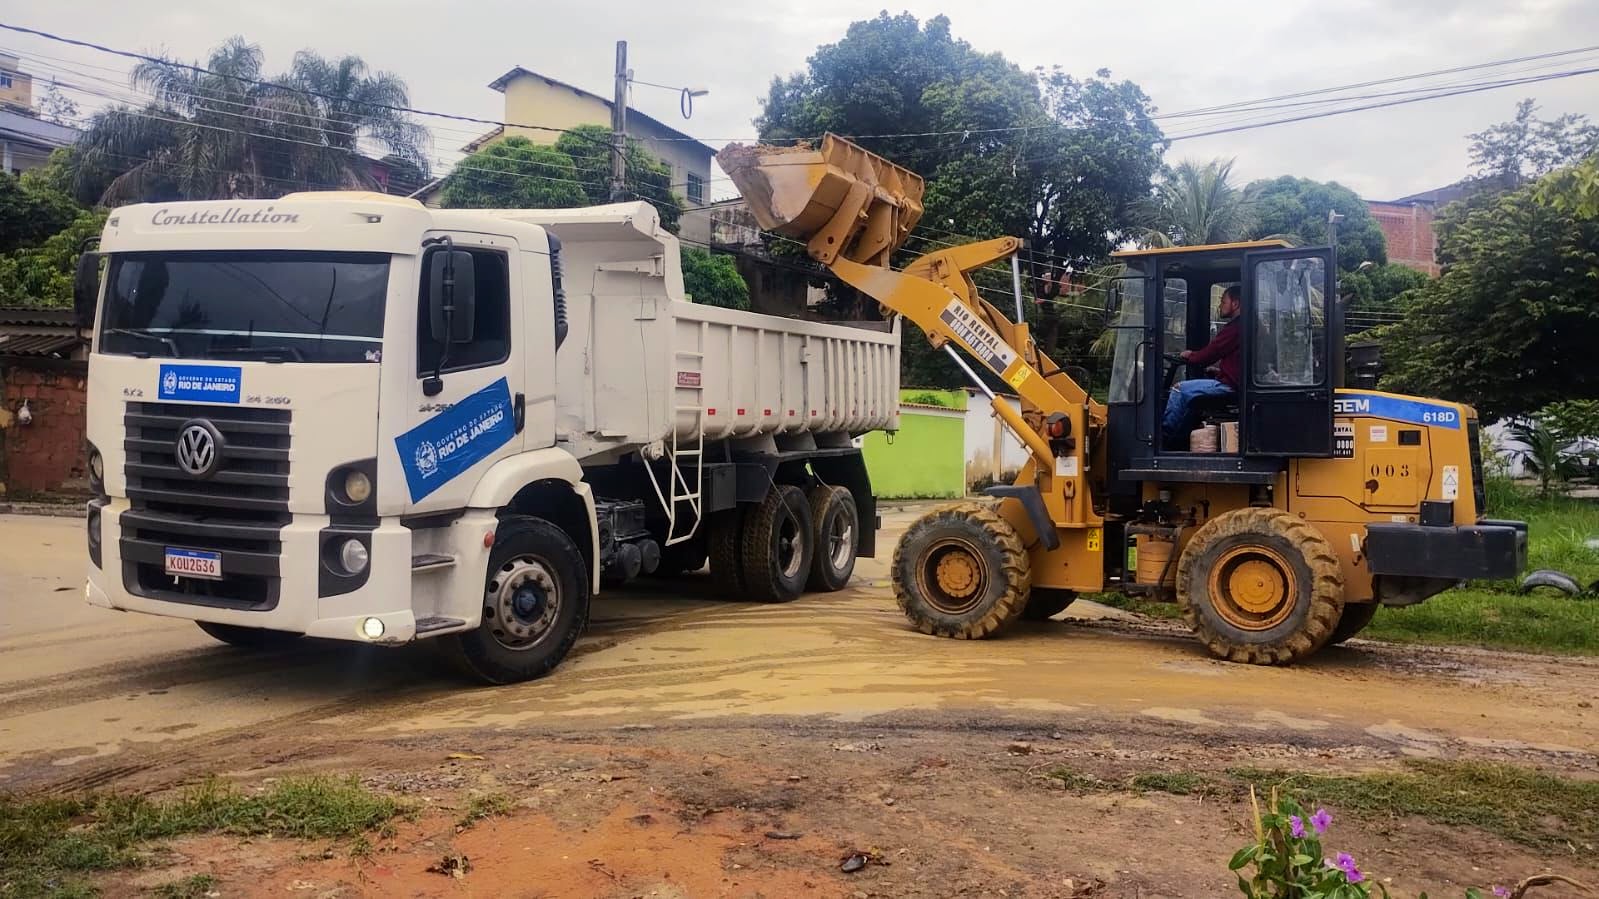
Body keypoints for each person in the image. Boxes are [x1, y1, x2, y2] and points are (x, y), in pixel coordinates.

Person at [1162, 285, 1242, 447]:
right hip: (1235, 383)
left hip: (1230, 386)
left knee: (1179, 389)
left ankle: (1163, 439)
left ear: (1235, 304)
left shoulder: (1235, 328)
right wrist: (1219, 371)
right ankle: (1182, 440)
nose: (1220, 305)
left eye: (1223, 301)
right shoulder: (1249, 326)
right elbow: (1240, 365)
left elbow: (1209, 354)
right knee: (1192, 400)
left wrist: (1190, 355)